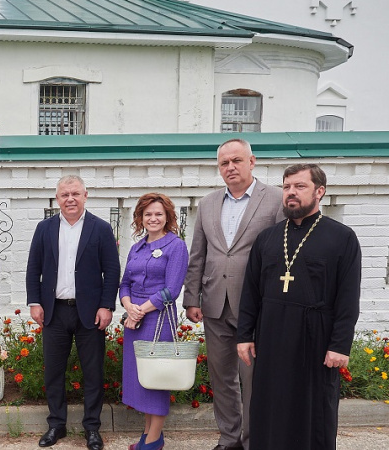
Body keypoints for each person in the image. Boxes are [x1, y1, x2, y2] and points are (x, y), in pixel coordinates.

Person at [237, 163, 361, 450]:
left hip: (315, 340)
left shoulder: (342, 238)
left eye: (299, 186)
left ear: (320, 192)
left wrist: (340, 345)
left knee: (313, 410)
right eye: (287, 187)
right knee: (269, 406)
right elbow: (250, 291)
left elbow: (347, 296)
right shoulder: (267, 238)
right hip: (271, 335)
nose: (291, 193)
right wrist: (244, 335)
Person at [183, 138, 283, 450]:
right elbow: (198, 254)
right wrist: (191, 297)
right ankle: (230, 439)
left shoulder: (276, 200)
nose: (230, 167)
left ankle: (253, 441)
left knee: (252, 380)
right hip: (214, 306)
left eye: (236, 161)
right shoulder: (209, 203)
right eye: (224, 163)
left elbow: (283, 256)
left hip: (255, 308)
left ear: (252, 161)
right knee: (221, 377)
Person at [26, 175, 121, 450]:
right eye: (65, 194)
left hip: (90, 314)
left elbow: (111, 270)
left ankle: (92, 428)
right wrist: (35, 301)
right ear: (57, 198)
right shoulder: (44, 229)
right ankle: (56, 424)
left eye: (75, 194)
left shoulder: (101, 228)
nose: (70, 199)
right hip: (54, 312)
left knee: (93, 372)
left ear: (85, 195)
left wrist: (106, 305)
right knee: (53, 372)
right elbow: (34, 268)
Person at [120, 193, 189, 450]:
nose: (153, 218)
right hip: (135, 320)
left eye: (158, 213)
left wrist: (141, 310)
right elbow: (124, 283)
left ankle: (152, 441)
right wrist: (128, 306)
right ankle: (150, 434)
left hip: (158, 320)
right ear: (140, 217)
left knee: (158, 379)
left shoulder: (176, 246)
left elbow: (172, 289)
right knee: (143, 379)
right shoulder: (136, 247)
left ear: (167, 216)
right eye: (147, 214)